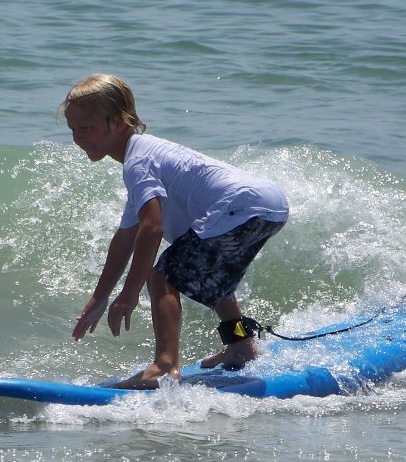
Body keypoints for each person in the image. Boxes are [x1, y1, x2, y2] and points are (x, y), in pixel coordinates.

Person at [61, 74, 289, 389]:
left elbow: (152, 229)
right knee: (213, 279)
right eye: (72, 129)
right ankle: (241, 346)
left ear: (118, 121)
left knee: (162, 275)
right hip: (269, 206)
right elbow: (126, 237)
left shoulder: (138, 163)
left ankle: (165, 364)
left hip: (243, 205)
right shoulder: (145, 156)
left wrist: (128, 294)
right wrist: (100, 298)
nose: (78, 137)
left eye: (86, 128)